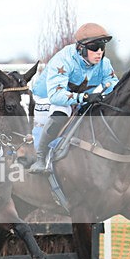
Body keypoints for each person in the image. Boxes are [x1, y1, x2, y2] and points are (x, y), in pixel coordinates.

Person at [28, 22, 119, 174]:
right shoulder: (63, 60)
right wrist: (85, 96)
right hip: (46, 99)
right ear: (81, 48)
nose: (99, 52)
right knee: (62, 109)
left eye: (102, 47)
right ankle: (40, 157)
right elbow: (56, 96)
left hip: (72, 98)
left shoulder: (104, 63)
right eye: (95, 47)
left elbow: (114, 89)